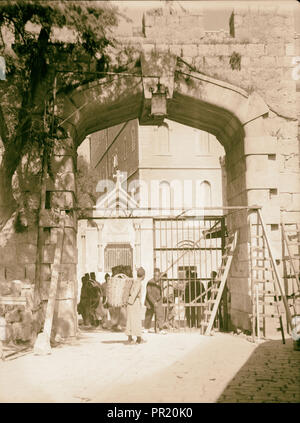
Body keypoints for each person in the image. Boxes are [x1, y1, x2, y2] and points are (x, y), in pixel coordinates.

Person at [125, 267, 146, 344]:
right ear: (143, 276)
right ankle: (138, 339)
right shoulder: (138, 283)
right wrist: (130, 302)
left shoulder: (134, 281)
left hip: (130, 303)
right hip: (134, 303)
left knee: (130, 320)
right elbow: (134, 294)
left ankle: (130, 338)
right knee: (136, 321)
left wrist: (127, 302)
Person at [144, 268, 167, 334]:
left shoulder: (160, 282)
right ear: (153, 275)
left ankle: (160, 328)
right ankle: (146, 327)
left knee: (160, 314)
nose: (157, 277)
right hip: (150, 301)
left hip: (158, 300)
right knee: (149, 315)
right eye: (155, 275)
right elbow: (149, 294)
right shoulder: (150, 282)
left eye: (158, 275)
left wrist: (160, 299)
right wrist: (154, 302)